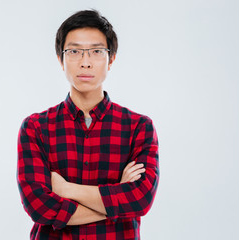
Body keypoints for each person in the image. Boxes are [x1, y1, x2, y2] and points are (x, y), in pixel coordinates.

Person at [17, 9, 159, 240]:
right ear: (60, 59)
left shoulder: (138, 127)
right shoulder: (35, 127)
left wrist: (67, 190)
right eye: (74, 51)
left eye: (96, 51)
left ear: (111, 59)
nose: (85, 62)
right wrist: (115, 201)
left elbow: (140, 199)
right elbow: (39, 206)